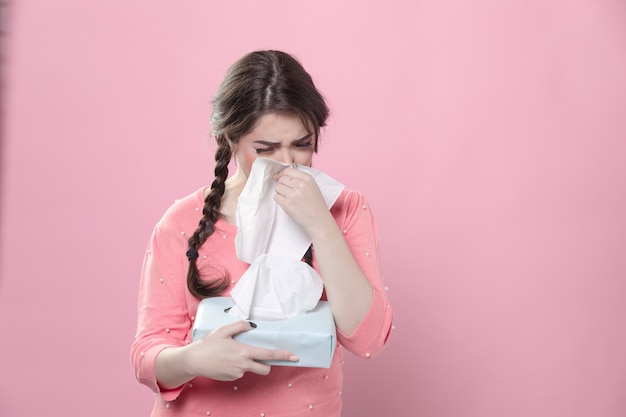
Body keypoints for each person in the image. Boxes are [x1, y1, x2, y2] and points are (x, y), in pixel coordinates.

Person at [131, 50, 393, 417]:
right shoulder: (181, 222)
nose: (286, 163)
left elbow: (367, 339)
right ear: (230, 139)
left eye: (302, 144)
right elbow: (147, 352)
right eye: (265, 149)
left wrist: (320, 223)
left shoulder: (345, 209)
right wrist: (193, 359)